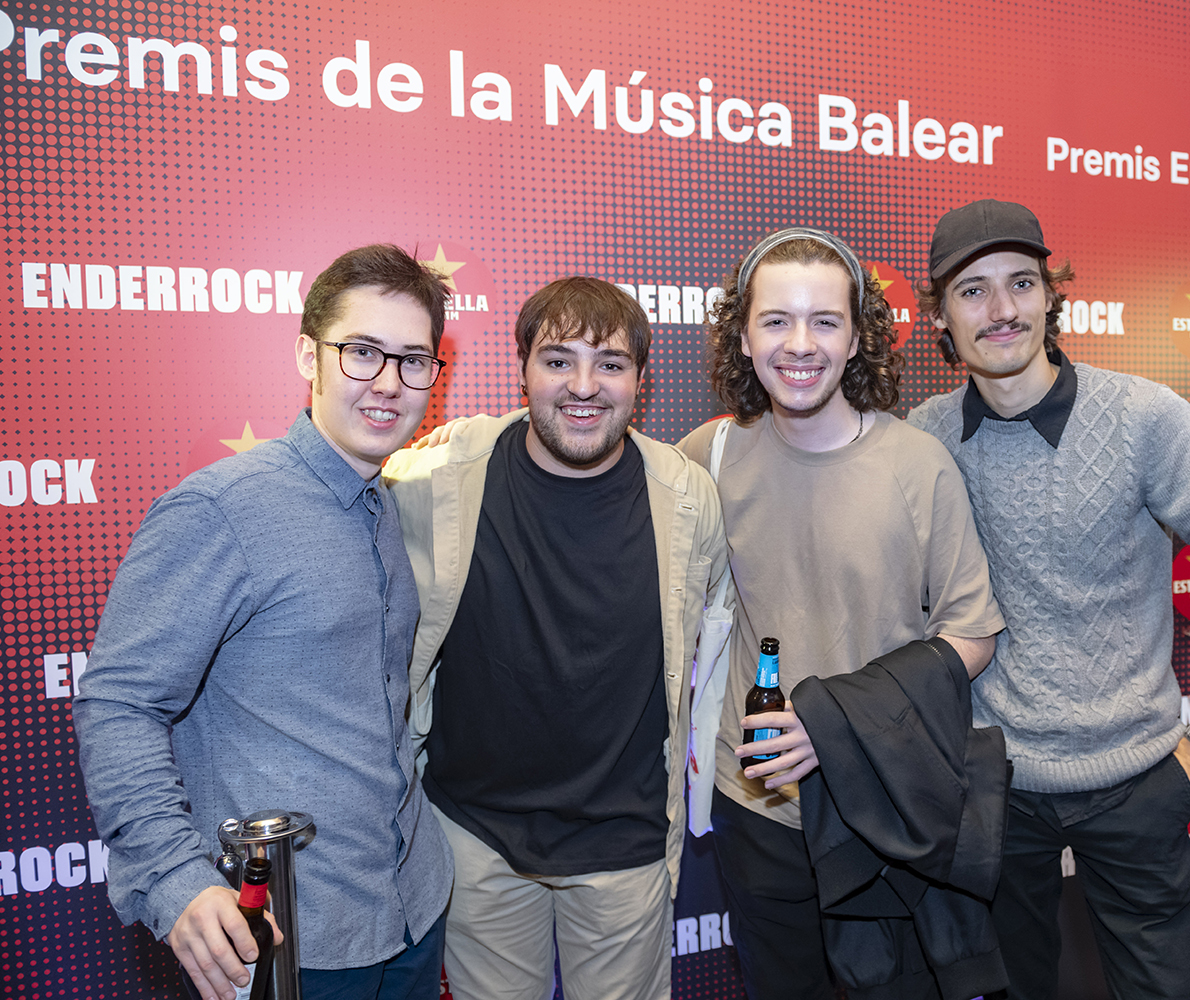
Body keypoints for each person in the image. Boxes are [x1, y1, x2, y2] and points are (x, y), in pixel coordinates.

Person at [907, 198, 1190, 999]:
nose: (1001, 310)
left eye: (1021, 283)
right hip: (989, 792)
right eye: (972, 291)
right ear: (939, 318)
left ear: (1050, 295)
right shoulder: (922, 440)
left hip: (1139, 785)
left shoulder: (1143, 418)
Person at [72, 244, 457, 1000]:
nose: (388, 382)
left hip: (413, 906)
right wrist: (175, 876)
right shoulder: (220, 509)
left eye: (413, 360)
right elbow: (119, 703)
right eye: (362, 352)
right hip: (292, 939)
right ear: (308, 356)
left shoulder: (385, 502)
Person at [677, 228, 1005, 999]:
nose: (800, 344)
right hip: (758, 806)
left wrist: (834, 725)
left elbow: (972, 634)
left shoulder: (915, 464)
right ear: (743, 336)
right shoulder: (706, 458)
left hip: (883, 806)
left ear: (858, 338)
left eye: (825, 321)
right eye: (776, 320)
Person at [382, 276, 728, 1000]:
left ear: (641, 380)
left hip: (626, 842)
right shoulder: (436, 477)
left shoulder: (689, 496)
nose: (584, 386)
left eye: (610, 364)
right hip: (474, 837)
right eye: (558, 360)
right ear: (522, 370)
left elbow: (722, 641)